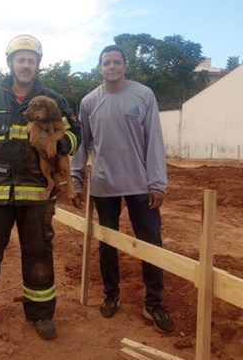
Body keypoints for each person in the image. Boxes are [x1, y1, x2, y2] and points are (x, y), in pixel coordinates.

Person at [0, 35, 81, 340]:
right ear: (10, 63)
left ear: (38, 64)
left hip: (37, 195)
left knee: (38, 254)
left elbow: (76, 134)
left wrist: (58, 143)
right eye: (20, 59)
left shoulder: (52, 100)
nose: (26, 65)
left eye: (31, 60)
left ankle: (41, 314)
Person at [71, 45, 174, 333]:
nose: (112, 67)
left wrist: (158, 183)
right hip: (104, 186)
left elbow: (154, 140)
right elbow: (82, 144)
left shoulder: (143, 95)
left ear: (125, 65)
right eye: (106, 62)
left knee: (151, 243)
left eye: (117, 62)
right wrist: (76, 178)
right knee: (107, 243)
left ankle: (153, 303)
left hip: (141, 185)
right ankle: (111, 295)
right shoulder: (89, 101)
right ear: (99, 67)